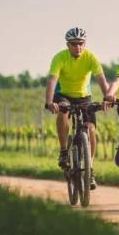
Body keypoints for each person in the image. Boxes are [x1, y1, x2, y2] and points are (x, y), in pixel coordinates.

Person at [44, 27, 110, 190]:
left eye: (81, 43)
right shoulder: (60, 58)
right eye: (74, 44)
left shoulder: (90, 57)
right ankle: (64, 150)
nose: (78, 47)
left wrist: (108, 97)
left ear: (84, 43)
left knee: (91, 129)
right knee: (63, 111)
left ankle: (90, 169)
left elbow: (101, 79)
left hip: (84, 97)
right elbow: (52, 80)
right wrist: (49, 101)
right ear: (68, 45)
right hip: (63, 94)